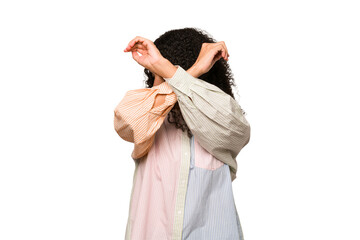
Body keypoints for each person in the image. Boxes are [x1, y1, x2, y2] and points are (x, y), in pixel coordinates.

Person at [114, 27, 251, 240]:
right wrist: (189, 71)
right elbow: (127, 121)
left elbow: (236, 130)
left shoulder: (220, 115)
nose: (167, 78)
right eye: (158, 73)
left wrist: (171, 72)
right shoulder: (150, 122)